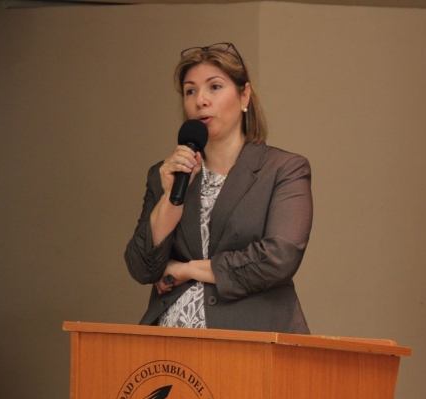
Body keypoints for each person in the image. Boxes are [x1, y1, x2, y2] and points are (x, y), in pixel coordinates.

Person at [124, 43, 312, 334]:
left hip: (253, 339)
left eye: (214, 87)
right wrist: (170, 200)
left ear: (244, 95)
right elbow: (143, 268)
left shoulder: (283, 169)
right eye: (190, 90)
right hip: (170, 341)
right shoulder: (164, 174)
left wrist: (185, 269)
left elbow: (278, 259)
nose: (201, 100)